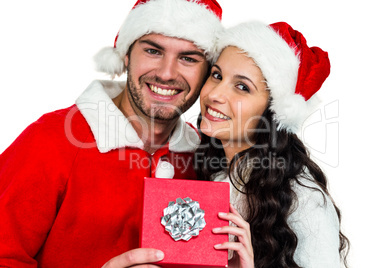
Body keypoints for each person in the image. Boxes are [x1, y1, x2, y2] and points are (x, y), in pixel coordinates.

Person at [0, 0, 223, 267]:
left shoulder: (205, 157)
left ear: (207, 73)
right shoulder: (50, 140)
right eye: (153, 51)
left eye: (188, 58)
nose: (166, 73)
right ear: (126, 55)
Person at [195, 21, 350, 267]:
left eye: (242, 87)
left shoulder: (303, 200)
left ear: (272, 111)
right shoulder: (206, 171)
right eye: (217, 75)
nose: (214, 94)